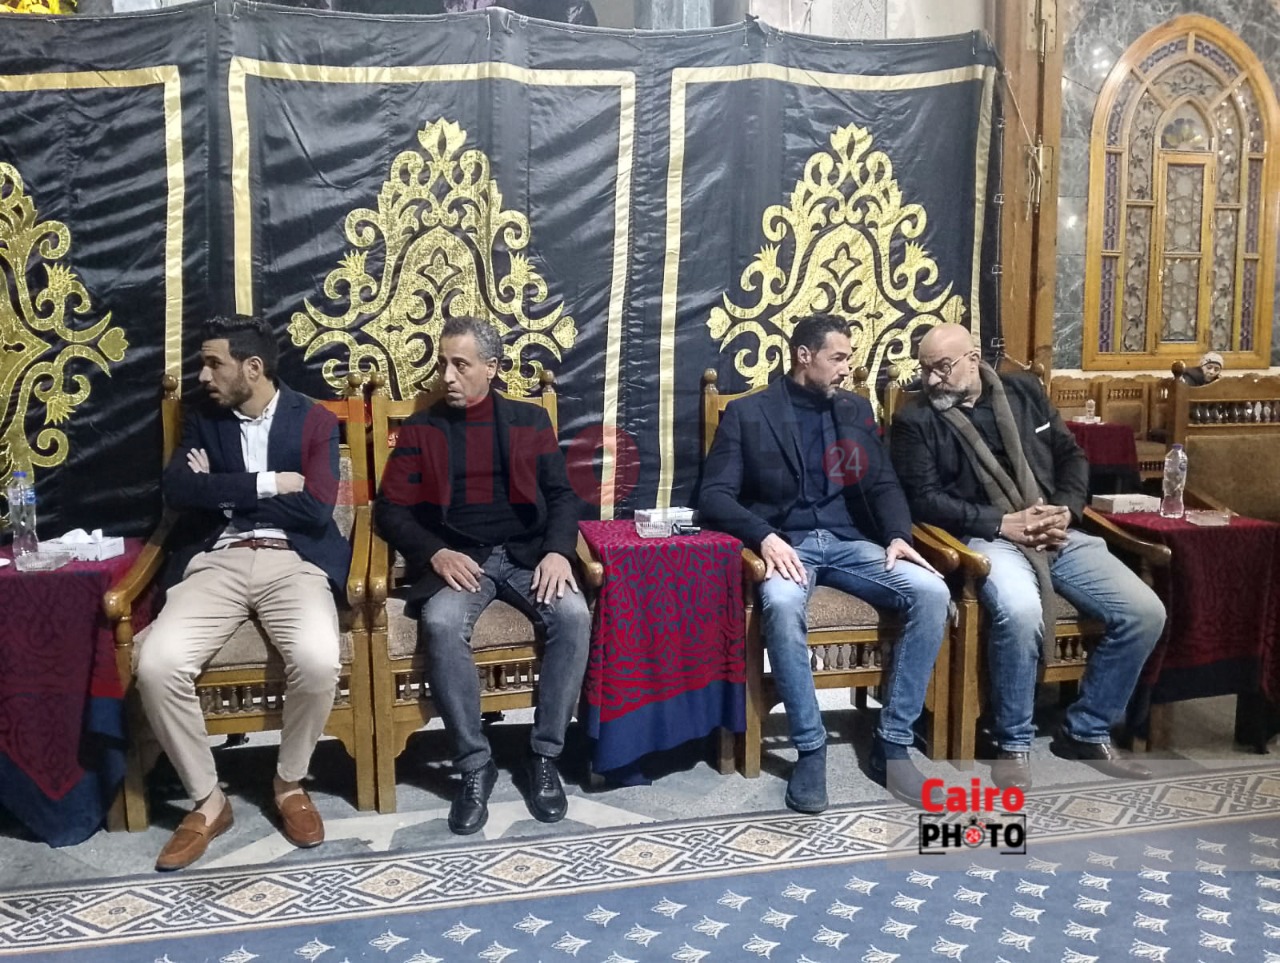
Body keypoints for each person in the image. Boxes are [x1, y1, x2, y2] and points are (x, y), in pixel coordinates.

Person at [890, 323, 1166, 790]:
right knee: (1020, 611)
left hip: (1054, 530)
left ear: (973, 359)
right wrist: (1002, 523)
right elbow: (924, 500)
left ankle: (1087, 729)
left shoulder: (1025, 393)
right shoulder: (916, 421)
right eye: (925, 369)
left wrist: (1066, 509)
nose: (932, 380)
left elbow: (1072, 456)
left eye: (943, 368)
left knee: (1145, 612)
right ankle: (1012, 741)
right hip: (987, 537)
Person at [699, 313, 952, 812]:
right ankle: (811, 748)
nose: (846, 368)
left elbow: (882, 482)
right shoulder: (749, 413)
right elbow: (714, 496)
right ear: (804, 356)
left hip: (849, 542)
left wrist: (898, 536)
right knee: (780, 602)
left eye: (849, 358)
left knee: (933, 592)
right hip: (789, 544)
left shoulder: (855, 410)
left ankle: (892, 744)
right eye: (837, 358)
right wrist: (764, 537)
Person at [136, 315, 350, 870]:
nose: (202, 375)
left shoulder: (315, 420)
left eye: (214, 363)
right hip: (218, 559)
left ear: (252, 368)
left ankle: (288, 782)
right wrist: (268, 483)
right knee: (156, 664)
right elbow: (179, 490)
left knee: (319, 659)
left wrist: (220, 490)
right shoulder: (203, 417)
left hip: (293, 560)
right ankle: (209, 800)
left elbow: (316, 508)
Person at [374, 316, 589, 835]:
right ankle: (475, 764)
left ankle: (544, 755)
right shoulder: (422, 429)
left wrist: (558, 552)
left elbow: (562, 495)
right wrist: (436, 553)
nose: (446, 376)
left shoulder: (529, 421)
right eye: (442, 364)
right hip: (461, 559)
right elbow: (390, 511)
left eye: (460, 365)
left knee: (575, 616)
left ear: (490, 368)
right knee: (442, 622)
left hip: (526, 554)